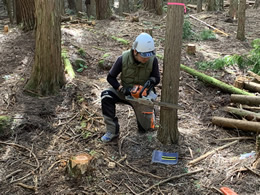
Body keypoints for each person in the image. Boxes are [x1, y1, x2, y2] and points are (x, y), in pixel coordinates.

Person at [100, 33, 160, 142]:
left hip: (143, 97)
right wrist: (120, 88)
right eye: (144, 56)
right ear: (135, 51)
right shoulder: (123, 58)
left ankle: (150, 115)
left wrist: (150, 82)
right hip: (126, 93)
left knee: (146, 130)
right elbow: (110, 77)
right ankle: (112, 131)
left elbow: (157, 77)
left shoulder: (153, 60)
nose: (147, 58)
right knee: (106, 96)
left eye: (149, 55)